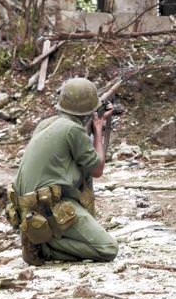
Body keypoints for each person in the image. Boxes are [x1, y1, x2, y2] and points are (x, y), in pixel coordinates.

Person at [6, 77, 118, 266]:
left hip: (27, 207)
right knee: (108, 249)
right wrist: (98, 130)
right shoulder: (73, 131)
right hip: (48, 207)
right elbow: (97, 169)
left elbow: (68, 157)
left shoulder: (46, 124)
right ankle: (45, 248)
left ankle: (43, 238)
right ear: (89, 109)